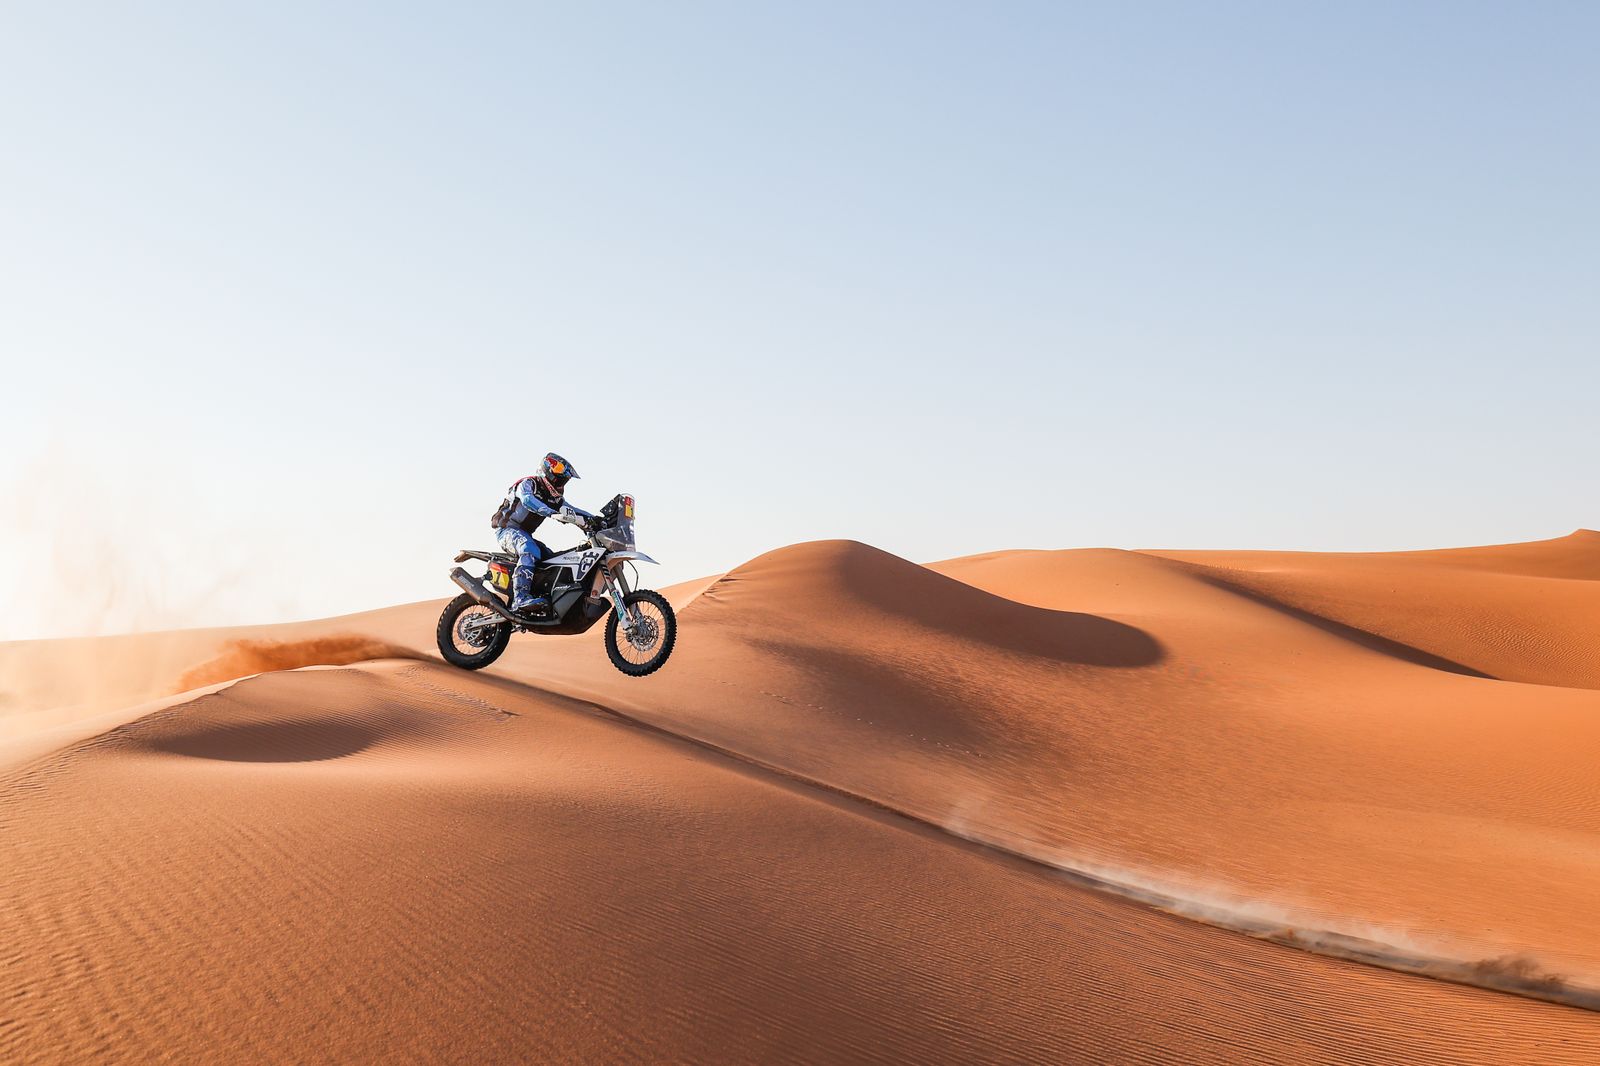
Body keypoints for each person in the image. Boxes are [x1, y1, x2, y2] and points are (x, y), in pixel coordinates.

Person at [489, 453, 597, 613]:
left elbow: (573, 511)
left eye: (564, 481)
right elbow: (527, 500)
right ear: (548, 475)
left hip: (524, 534)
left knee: (552, 560)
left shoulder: (554, 499)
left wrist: (595, 519)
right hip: (507, 531)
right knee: (528, 548)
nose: (562, 485)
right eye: (560, 480)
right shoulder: (528, 484)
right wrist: (550, 512)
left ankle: (541, 599)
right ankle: (520, 598)